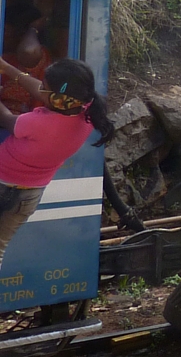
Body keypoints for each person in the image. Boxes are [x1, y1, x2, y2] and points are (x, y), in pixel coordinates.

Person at [0, 57, 114, 266]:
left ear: (56, 99)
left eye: (44, 86)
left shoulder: (36, 122)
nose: (39, 87)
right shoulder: (87, 112)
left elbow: (6, 118)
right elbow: (42, 93)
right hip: (29, 195)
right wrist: (7, 68)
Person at [0, 5, 51, 114]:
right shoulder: (6, 56)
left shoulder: (37, 55)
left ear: (21, 33)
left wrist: (33, 29)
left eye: (5, 30)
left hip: (24, 125)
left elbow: (28, 51)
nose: (3, 34)